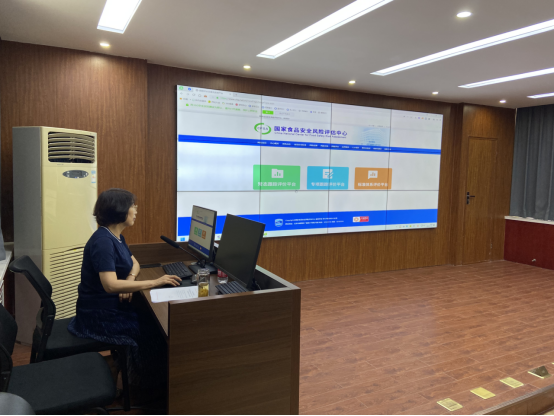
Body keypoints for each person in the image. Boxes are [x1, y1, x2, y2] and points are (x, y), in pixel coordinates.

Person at [68, 188, 181, 392]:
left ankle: (134, 374)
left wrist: (129, 279)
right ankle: (142, 387)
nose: (136, 210)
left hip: (110, 306)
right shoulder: (103, 242)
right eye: (132, 206)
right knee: (154, 331)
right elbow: (110, 285)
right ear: (119, 210)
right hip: (98, 316)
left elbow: (135, 264)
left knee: (152, 321)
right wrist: (154, 282)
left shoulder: (115, 235)